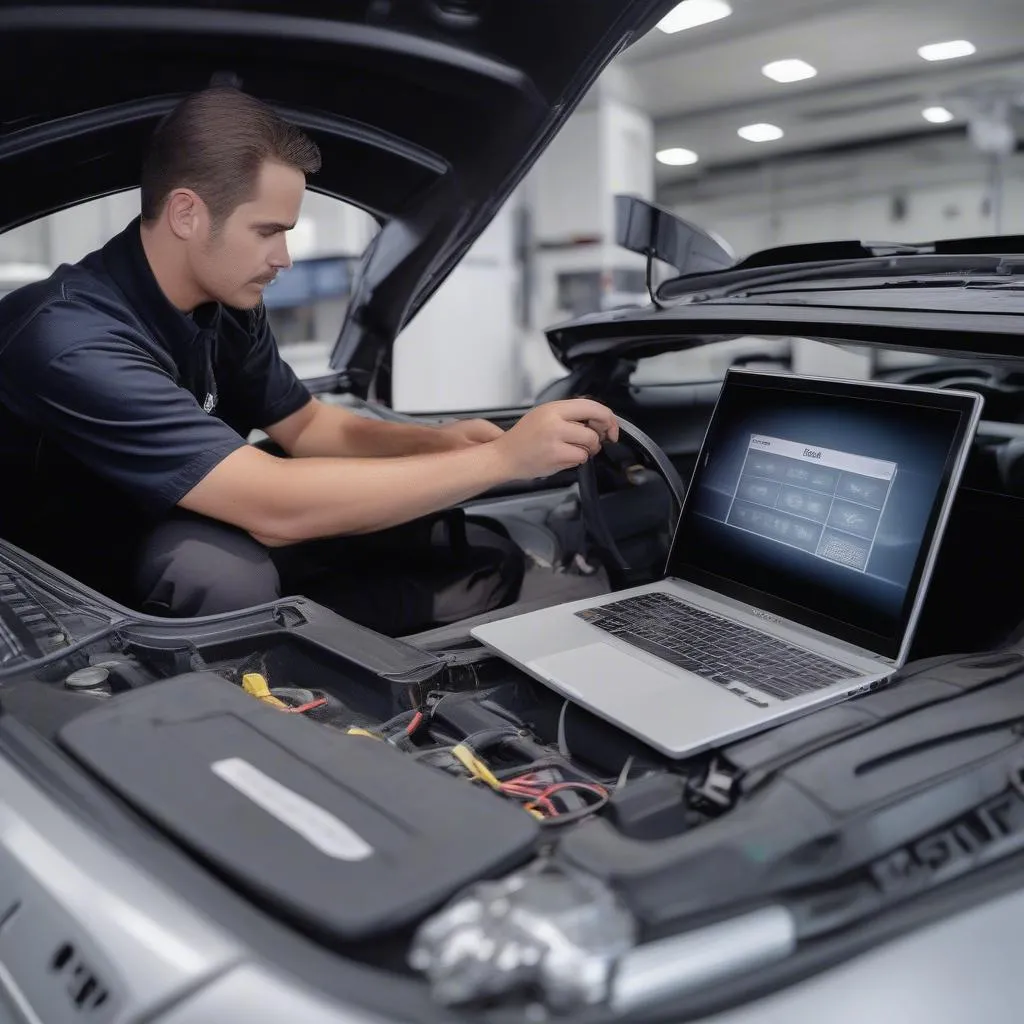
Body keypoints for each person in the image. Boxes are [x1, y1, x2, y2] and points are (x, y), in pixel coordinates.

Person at [0, 87, 618, 635]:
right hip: (75, 587)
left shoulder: (226, 305)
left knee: (470, 548)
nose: (285, 257)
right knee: (222, 577)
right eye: (268, 231)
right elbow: (272, 505)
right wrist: (503, 459)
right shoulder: (68, 337)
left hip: (208, 507)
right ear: (188, 213)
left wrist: (435, 443)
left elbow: (310, 428)